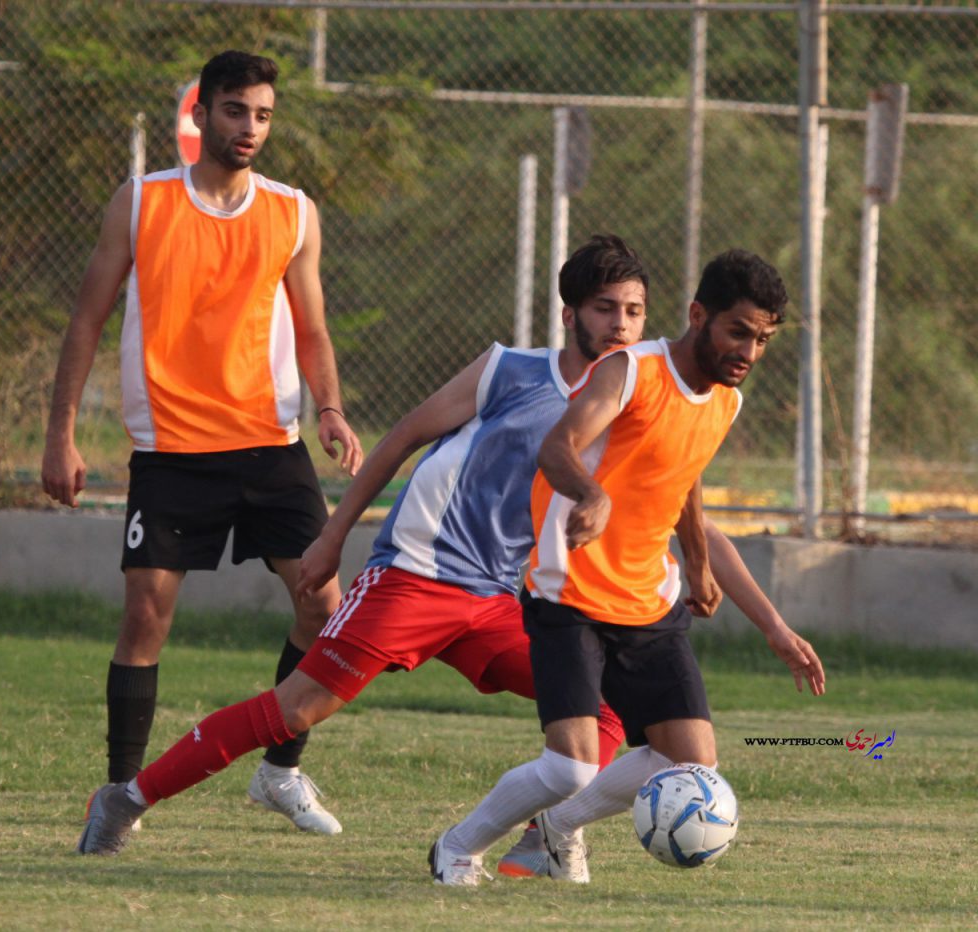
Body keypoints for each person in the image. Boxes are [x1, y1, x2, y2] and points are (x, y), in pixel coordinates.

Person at [71, 236, 817, 863]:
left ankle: (548, 837)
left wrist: (760, 615)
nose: (620, 326)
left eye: (632, 312)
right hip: (419, 575)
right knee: (296, 710)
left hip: (500, 597)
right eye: (604, 310)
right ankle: (128, 798)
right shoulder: (513, 371)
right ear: (570, 315)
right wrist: (334, 536)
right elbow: (404, 435)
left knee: (603, 721)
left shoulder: (641, 395)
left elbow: (683, 499)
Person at [41, 50, 362, 837]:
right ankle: (119, 795)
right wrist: (61, 435)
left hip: (269, 442)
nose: (250, 128)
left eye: (262, 115)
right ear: (201, 114)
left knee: (325, 605)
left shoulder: (292, 211)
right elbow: (86, 319)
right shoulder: (143, 202)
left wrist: (330, 408)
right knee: (147, 616)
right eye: (235, 111)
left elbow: (314, 326)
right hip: (174, 449)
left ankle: (281, 772)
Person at [429, 249, 826, 885]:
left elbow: (683, 483)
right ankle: (457, 845)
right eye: (738, 332)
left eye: (763, 339)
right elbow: (557, 447)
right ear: (699, 316)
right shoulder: (630, 371)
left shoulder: (724, 401)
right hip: (569, 589)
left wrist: (715, 577)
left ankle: (558, 831)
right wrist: (592, 494)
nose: (749, 351)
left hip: (649, 601)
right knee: (569, 768)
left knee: (693, 767)